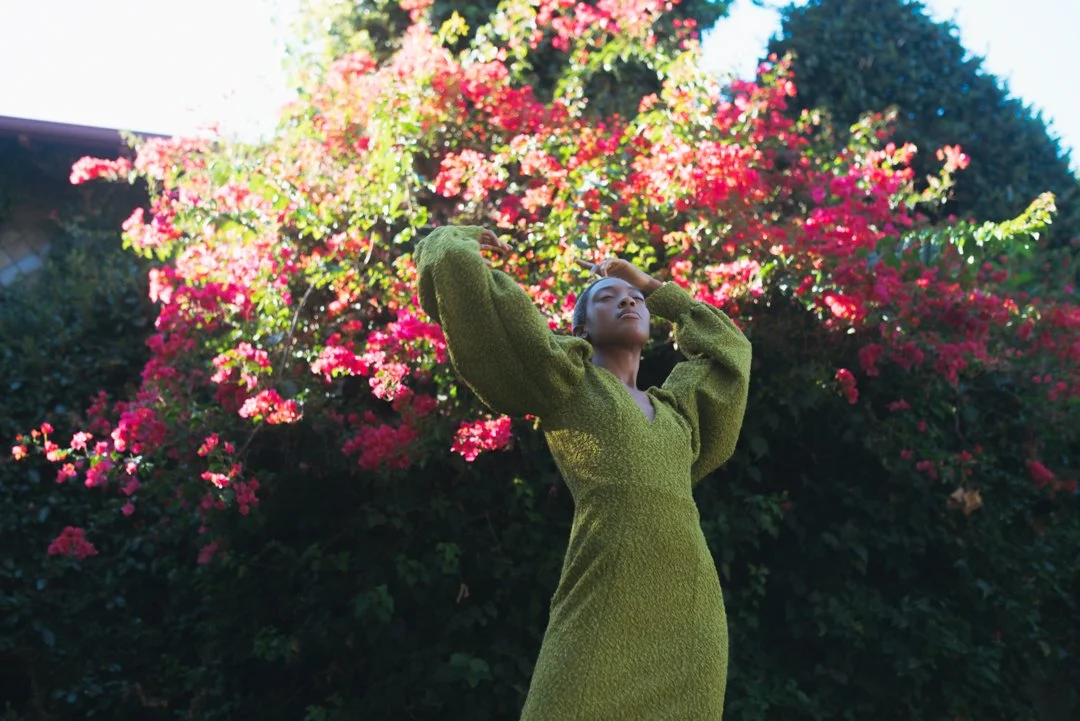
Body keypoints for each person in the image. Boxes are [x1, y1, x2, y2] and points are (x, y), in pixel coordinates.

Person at [413, 225, 752, 720]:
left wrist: (658, 290)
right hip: (603, 595)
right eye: (609, 297)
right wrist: (454, 240)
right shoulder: (567, 381)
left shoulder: (682, 414)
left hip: (692, 615)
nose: (628, 302)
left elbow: (731, 352)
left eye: (635, 298)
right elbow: (483, 304)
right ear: (581, 328)